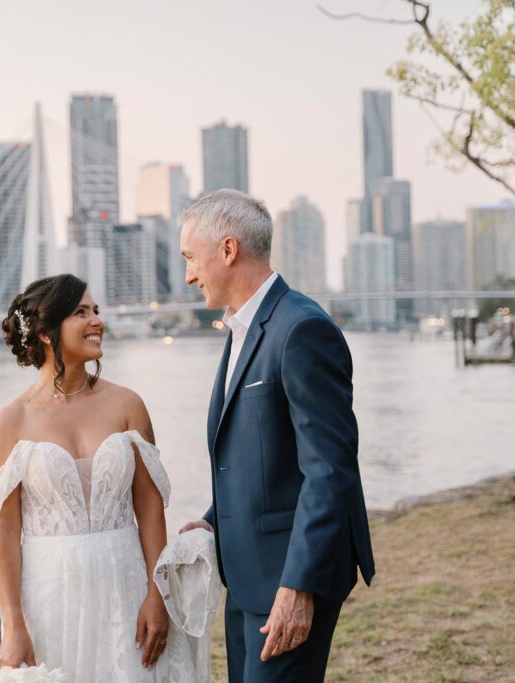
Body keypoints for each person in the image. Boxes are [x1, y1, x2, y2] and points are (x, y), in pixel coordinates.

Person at [177, 189, 375, 682]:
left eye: (190, 258)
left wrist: (299, 586)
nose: (187, 275)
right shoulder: (242, 329)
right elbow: (264, 455)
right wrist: (212, 521)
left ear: (228, 250)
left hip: (288, 579)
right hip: (246, 576)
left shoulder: (302, 329)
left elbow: (330, 471)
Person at [0, 274, 200, 680]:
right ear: (45, 333)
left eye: (96, 310)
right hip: (51, 596)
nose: (97, 321)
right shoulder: (9, 422)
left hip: (126, 585)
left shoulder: (128, 405)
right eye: (81, 312)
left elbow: (149, 508)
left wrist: (157, 594)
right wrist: (14, 623)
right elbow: (4, 532)